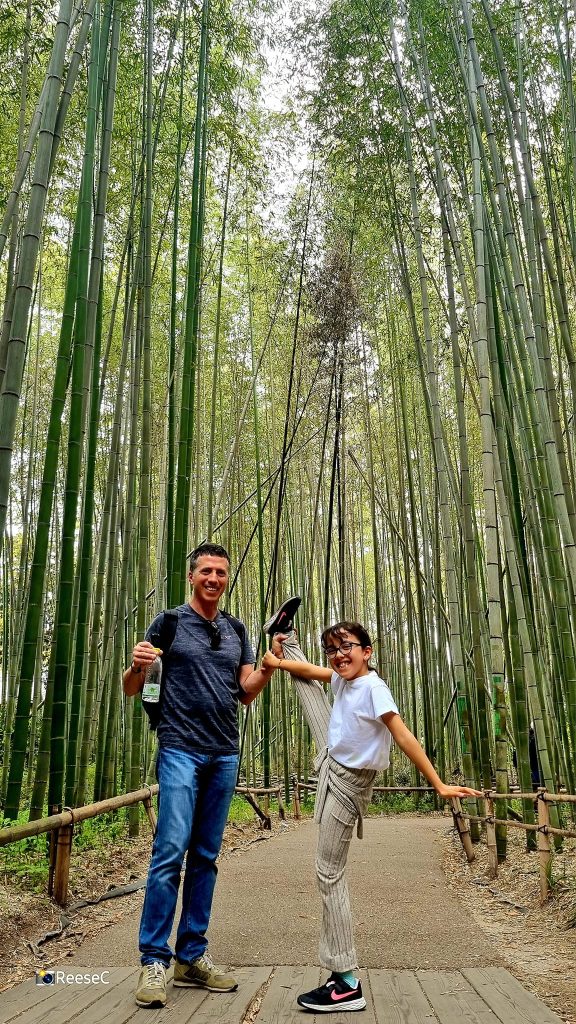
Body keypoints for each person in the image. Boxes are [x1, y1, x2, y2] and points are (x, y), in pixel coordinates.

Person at [262, 618, 482, 1014]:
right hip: (332, 754)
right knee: (309, 686)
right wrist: (278, 661)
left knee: (329, 873)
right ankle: (287, 635)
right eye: (332, 648)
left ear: (367, 651)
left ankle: (346, 982)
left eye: (347, 646)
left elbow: (402, 735)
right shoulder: (343, 679)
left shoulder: (374, 688)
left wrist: (439, 784)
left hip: (349, 781)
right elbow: (313, 671)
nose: (338, 655)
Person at [123, 542, 277, 1009]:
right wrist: (137, 665)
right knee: (170, 851)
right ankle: (154, 959)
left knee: (206, 856)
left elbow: (245, 692)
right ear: (191, 576)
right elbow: (133, 688)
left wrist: (269, 663)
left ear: (228, 579)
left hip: (224, 752)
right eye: (206, 571)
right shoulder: (168, 622)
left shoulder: (236, 628)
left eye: (221, 572)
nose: (214, 578)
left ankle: (191, 955)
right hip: (179, 748)